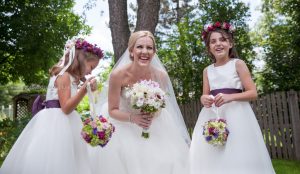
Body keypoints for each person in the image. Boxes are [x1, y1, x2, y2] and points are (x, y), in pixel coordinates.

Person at [88, 30, 190, 174]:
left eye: (149, 48)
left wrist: (151, 113)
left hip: (154, 124)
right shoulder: (118, 75)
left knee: (166, 162)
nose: (145, 52)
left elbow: (162, 104)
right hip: (123, 124)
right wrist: (133, 118)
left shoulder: (161, 75)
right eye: (140, 47)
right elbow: (112, 110)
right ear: (131, 51)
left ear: (154, 52)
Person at [0, 36, 103, 174]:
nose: (91, 72)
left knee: (72, 160)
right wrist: (84, 90)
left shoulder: (70, 76)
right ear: (81, 60)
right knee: (57, 160)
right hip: (58, 123)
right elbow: (66, 108)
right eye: (91, 67)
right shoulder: (64, 75)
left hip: (64, 121)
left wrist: (88, 88)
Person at [189, 22, 276, 174]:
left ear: (230, 43)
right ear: (209, 47)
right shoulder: (207, 70)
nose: (218, 44)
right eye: (213, 41)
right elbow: (205, 94)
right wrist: (204, 99)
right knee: (213, 155)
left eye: (222, 40)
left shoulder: (238, 64)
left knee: (238, 152)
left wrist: (230, 97)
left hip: (237, 115)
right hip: (213, 116)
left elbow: (252, 93)